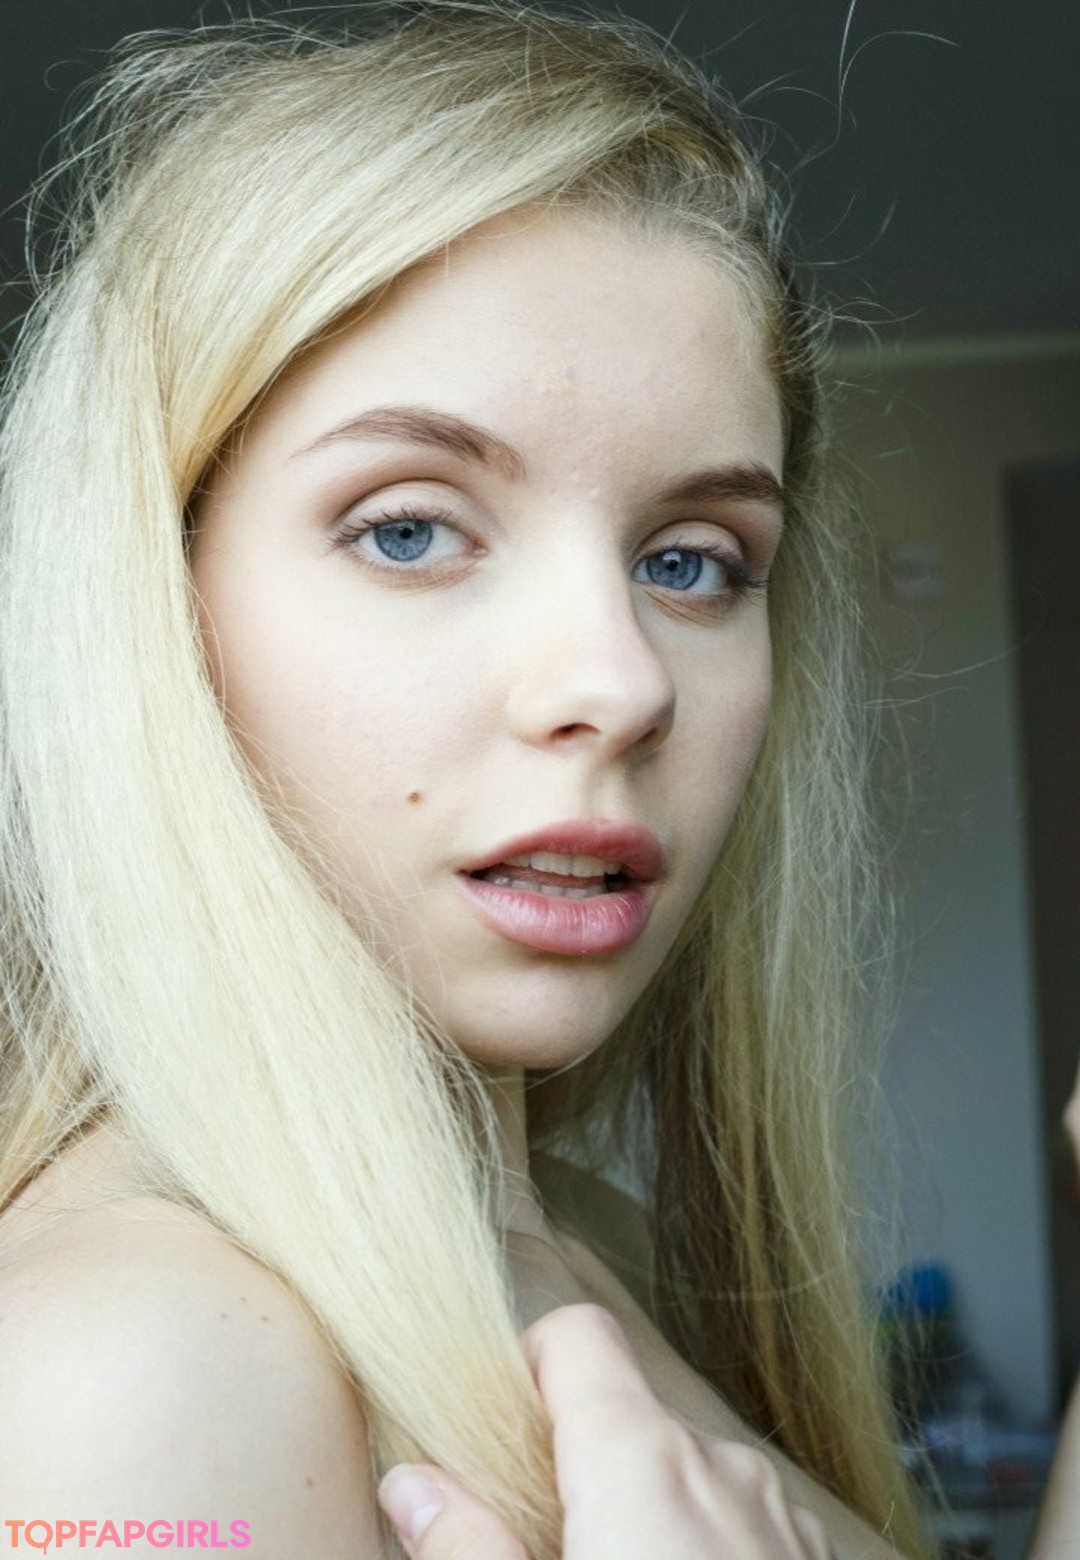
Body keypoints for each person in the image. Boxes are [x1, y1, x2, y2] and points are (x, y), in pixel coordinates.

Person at [0, 4, 928, 1556]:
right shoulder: (139, 1367)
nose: (621, 682)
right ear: (147, 601)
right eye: (411, 530)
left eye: (690, 560)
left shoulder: (595, 1253)